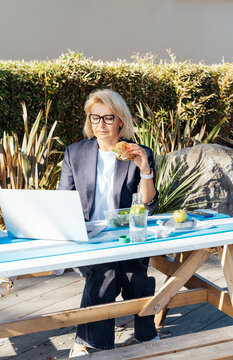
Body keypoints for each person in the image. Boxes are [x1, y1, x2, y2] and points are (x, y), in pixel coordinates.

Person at [58, 89, 159, 357]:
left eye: (108, 118)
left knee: (129, 273)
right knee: (108, 272)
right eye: (95, 118)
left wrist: (144, 169)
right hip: (87, 237)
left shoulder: (139, 153)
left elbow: (148, 205)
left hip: (126, 236)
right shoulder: (75, 153)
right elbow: (63, 201)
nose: (100, 125)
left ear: (120, 121)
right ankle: (143, 336)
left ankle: (86, 342)